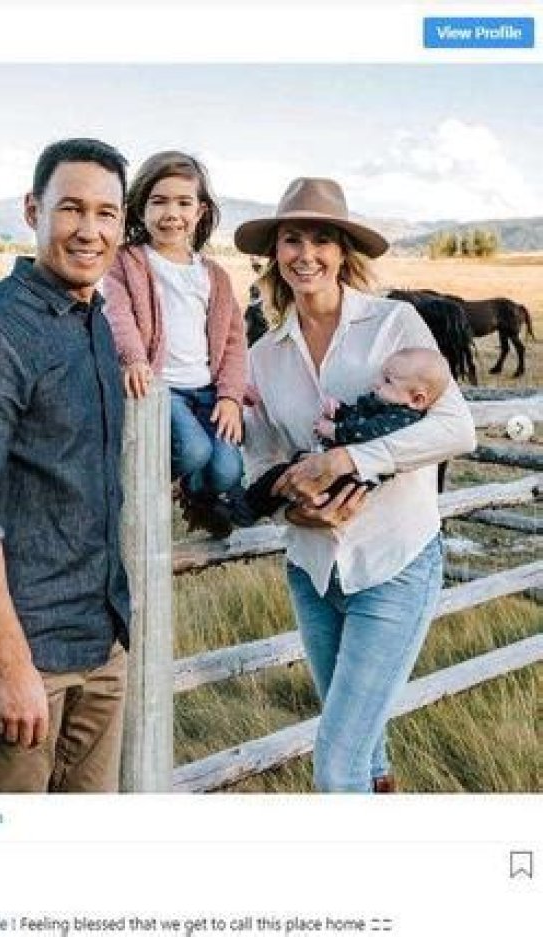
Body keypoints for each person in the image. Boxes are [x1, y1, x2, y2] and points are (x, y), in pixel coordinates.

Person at [234, 177, 476, 793]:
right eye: (292, 239)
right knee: (365, 756)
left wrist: (349, 458)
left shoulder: (394, 323)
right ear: (275, 253)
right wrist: (293, 513)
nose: (306, 254)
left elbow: (457, 427)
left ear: (343, 252)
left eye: (322, 240)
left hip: (394, 563)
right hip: (313, 572)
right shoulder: (265, 354)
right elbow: (262, 461)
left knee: (336, 764)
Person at [0, 138, 131, 793]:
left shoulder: (95, 322)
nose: (89, 230)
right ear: (33, 210)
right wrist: (12, 665)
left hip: (99, 642)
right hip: (22, 654)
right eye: (71, 208)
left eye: (106, 213)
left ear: (123, 223)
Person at [102, 150, 247, 537]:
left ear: (200, 211)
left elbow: (235, 342)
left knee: (228, 470)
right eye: (159, 202)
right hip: (161, 389)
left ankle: (194, 494)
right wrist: (133, 358)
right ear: (140, 208)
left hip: (208, 391)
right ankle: (132, 487)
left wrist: (231, 397)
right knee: (194, 450)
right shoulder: (128, 262)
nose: (171, 213)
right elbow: (117, 313)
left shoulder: (214, 276)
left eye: (183, 203)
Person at [232, 347, 451, 524]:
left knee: (283, 476)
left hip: (353, 482)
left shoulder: (400, 418)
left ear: (417, 399)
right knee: (285, 476)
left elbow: (366, 432)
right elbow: (359, 417)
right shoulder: (387, 404)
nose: (377, 382)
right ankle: (250, 505)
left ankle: (246, 508)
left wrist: (335, 430)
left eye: (387, 381)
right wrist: (339, 411)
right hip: (318, 528)